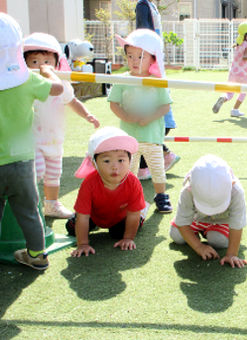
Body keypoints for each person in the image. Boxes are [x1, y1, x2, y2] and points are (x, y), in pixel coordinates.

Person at [0, 13, 64, 270]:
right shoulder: (27, 78)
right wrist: (49, 71)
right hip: (22, 162)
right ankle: (37, 255)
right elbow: (58, 89)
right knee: (29, 213)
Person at [23, 32, 100, 219]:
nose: (41, 67)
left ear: (57, 63)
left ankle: (51, 205)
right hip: (33, 140)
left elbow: (72, 101)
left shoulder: (62, 84)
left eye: (47, 61)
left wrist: (87, 115)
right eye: (34, 62)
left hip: (55, 139)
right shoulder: (28, 83)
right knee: (37, 171)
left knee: (53, 175)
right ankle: (28, 205)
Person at [108, 29, 173, 213]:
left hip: (152, 136)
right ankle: (129, 197)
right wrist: (127, 117)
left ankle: (161, 196)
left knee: (157, 168)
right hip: (129, 138)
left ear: (152, 59)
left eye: (140, 57)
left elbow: (165, 106)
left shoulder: (157, 81)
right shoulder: (122, 80)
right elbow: (113, 104)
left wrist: (149, 118)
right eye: (130, 56)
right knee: (129, 170)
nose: (134, 61)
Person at [68, 127, 147, 257]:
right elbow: (83, 217)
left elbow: (133, 214)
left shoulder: (133, 182)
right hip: (94, 216)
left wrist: (128, 238)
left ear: (129, 161)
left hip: (119, 217)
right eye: (106, 161)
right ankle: (80, 220)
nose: (115, 166)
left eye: (121, 160)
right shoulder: (89, 183)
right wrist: (82, 244)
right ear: (94, 164)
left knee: (118, 233)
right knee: (72, 227)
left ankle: (142, 215)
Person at [169, 154, 247, 268]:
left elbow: (237, 224)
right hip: (195, 218)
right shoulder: (187, 191)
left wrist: (232, 254)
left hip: (222, 221)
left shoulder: (237, 191)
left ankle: (209, 232)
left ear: (232, 184)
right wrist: (198, 246)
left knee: (218, 241)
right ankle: (197, 231)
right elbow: (183, 224)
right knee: (176, 235)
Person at [135, 0, 180, 181]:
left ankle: (152, 163)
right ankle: (157, 159)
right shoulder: (151, 7)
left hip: (149, 70)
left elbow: (142, 37)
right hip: (155, 68)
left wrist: (138, 64)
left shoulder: (143, 6)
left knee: (145, 121)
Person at [212, 22, 247, 117]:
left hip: (233, 72)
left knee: (229, 92)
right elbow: (245, 58)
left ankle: (223, 98)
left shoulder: (239, 45)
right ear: (246, 36)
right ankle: (235, 110)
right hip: (242, 75)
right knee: (244, 91)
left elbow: (241, 60)